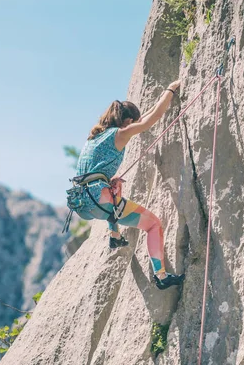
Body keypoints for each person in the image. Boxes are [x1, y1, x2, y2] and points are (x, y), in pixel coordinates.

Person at [69, 80, 185, 290]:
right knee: (154, 225)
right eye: (132, 123)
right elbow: (153, 119)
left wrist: (106, 180)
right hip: (99, 200)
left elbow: (145, 116)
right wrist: (171, 89)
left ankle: (115, 235)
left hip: (82, 204)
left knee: (114, 191)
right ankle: (161, 275)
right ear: (127, 122)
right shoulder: (119, 134)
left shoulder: (93, 138)